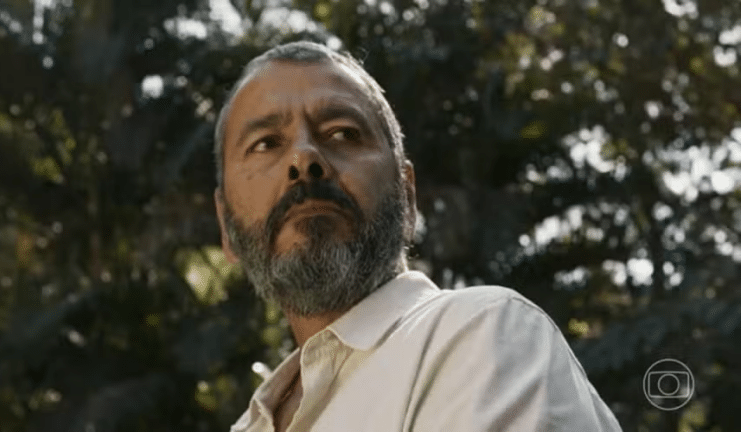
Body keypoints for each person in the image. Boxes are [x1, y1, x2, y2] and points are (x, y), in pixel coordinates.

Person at [213, 40, 623, 432]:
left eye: (342, 133)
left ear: (407, 197)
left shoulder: (482, 334)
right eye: (265, 143)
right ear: (226, 225)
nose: (304, 158)